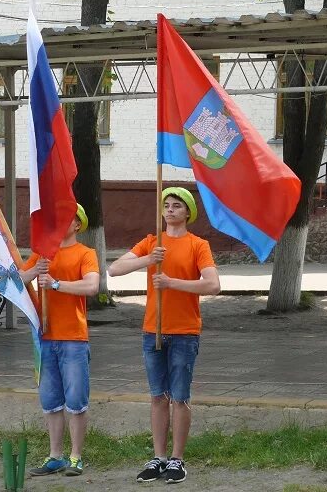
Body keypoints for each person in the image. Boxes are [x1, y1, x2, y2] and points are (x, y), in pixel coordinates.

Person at [108, 187, 220, 485]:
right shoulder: (151, 243)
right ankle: (158, 457)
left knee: (180, 397)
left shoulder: (199, 245)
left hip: (184, 331)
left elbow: (212, 285)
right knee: (158, 396)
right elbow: (114, 269)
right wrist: (147, 260)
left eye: (176, 206)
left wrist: (172, 282)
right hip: (153, 330)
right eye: (166, 205)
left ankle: (177, 459)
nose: (170, 210)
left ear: (187, 213)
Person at [20, 204, 100, 478]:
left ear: (78, 224)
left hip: (73, 338)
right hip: (44, 338)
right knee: (50, 400)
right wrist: (34, 272)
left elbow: (92, 286)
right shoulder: (42, 254)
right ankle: (55, 456)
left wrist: (56, 284)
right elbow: (16, 280)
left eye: (67, 218)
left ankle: (76, 456)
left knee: (76, 400)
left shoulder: (86, 253)